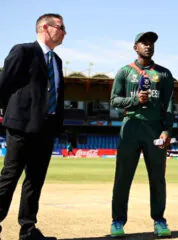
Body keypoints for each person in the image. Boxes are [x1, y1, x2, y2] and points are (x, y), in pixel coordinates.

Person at [0, 13, 66, 240]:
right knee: (10, 176)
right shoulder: (23, 51)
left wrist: (57, 125)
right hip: (21, 126)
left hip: (46, 128)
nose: (64, 32)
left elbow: (57, 95)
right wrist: (9, 114)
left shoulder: (56, 61)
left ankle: (28, 230)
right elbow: (4, 84)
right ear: (45, 28)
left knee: (35, 180)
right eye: (61, 27)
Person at [110, 31, 174, 238]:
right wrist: (136, 100)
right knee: (123, 177)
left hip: (155, 129)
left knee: (157, 178)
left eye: (151, 43)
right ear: (135, 47)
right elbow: (114, 101)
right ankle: (118, 221)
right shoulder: (124, 72)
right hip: (130, 128)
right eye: (144, 43)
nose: (148, 46)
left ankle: (159, 220)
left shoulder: (163, 74)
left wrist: (166, 131)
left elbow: (170, 105)